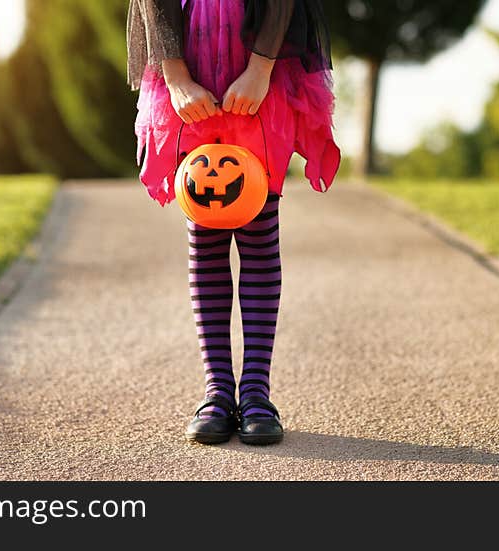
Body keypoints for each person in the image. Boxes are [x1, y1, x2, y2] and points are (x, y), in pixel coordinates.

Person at [127, 0, 340, 445]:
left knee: (259, 233)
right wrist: (177, 77)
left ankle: (257, 393)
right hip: (191, 62)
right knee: (206, 230)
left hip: (261, 62)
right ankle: (218, 391)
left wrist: (261, 69)